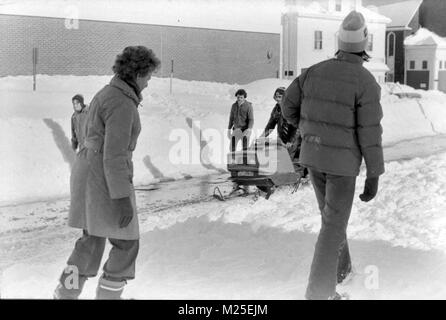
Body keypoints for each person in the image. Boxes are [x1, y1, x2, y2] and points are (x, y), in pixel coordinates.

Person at [281, 11, 385, 300]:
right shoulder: (366, 83)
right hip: (342, 168)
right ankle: (319, 294)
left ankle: (342, 270)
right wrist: (374, 174)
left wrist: (309, 128)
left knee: (330, 220)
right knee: (332, 226)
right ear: (364, 44)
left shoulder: (312, 72)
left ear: (339, 41)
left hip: (314, 160)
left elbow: (288, 109)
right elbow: (370, 133)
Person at [54, 46, 161, 299]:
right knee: (126, 243)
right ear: (137, 74)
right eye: (147, 77)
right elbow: (114, 155)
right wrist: (123, 199)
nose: (148, 83)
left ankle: (64, 294)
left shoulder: (109, 92)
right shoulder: (122, 103)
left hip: (90, 170)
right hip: (103, 176)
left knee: (90, 240)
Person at [261, 87, 307, 178]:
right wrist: (263, 136)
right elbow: (271, 124)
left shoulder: (291, 108)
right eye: (276, 96)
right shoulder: (276, 109)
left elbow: (296, 126)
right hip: (282, 138)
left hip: (294, 137)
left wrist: (291, 140)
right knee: (278, 157)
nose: (278, 99)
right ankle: (279, 176)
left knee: (288, 157)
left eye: (280, 97)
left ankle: (298, 176)